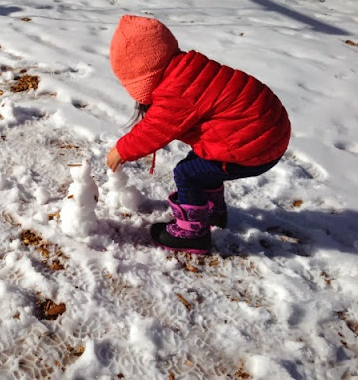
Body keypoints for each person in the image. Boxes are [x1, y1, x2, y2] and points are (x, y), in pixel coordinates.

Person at [105, 15, 291, 254]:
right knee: (202, 164)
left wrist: (122, 150)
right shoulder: (190, 69)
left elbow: (154, 129)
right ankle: (213, 213)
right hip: (268, 132)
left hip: (254, 147)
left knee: (187, 174)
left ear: (143, 74)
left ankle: (192, 233)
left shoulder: (176, 91)